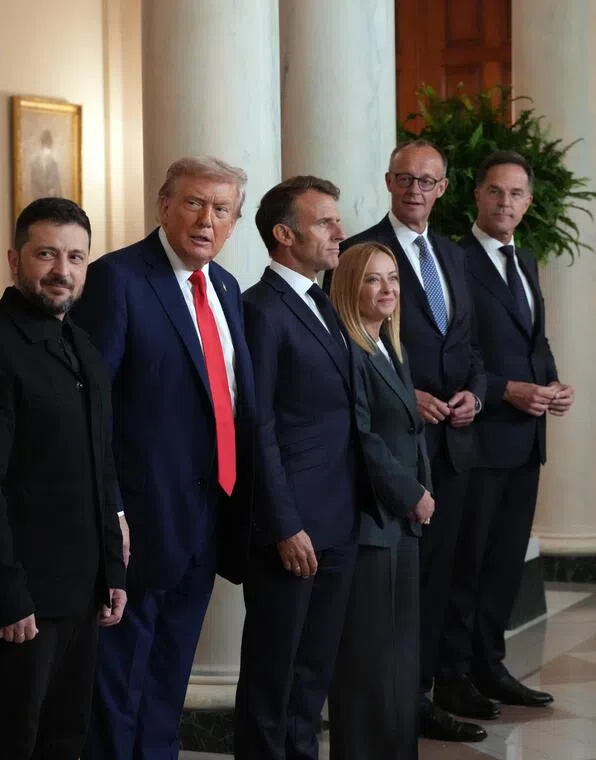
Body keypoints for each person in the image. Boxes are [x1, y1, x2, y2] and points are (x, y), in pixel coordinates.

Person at [72, 156, 257, 760]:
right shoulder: (118, 280)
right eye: (194, 204)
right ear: (164, 206)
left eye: (221, 209)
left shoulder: (225, 287)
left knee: (169, 679)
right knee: (118, 684)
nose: (207, 219)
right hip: (139, 524)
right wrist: (112, 513)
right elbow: (92, 411)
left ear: (235, 221)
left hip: (207, 515)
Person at [337, 139, 489, 742]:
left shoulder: (452, 255)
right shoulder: (358, 251)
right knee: (398, 596)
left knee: (444, 580)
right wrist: (413, 396)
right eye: (406, 179)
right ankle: (406, 704)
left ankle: (427, 691)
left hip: (451, 446)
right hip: (394, 456)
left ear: (444, 188)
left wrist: (474, 395)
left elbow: (471, 347)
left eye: (428, 182)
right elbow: (356, 348)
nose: (417, 190)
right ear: (389, 181)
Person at [0, 197, 127, 760]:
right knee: (9, 740)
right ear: (15, 259)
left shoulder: (83, 346)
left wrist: (113, 570)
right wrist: (6, 594)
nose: (62, 270)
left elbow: (101, 465)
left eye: (76, 257)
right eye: (47, 254)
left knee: (64, 739)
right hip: (26, 595)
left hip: (82, 589)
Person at [236, 176, 362, 760]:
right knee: (273, 672)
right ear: (284, 235)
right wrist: (284, 524)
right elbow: (257, 426)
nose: (339, 232)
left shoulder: (322, 299)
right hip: (292, 527)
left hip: (338, 519)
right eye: (324, 222)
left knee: (313, 673)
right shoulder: (261, 310)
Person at [441, 150, 572, 710]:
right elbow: (457, 352)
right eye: (496, 191)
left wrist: (553, 382)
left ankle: (490, 666)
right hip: (480, 437)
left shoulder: (527, 259)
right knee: (465, 564)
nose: (506, 202)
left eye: (517, 194)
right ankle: (453, 676)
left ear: (529, 202)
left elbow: (532, 341)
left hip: (526, 439)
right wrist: (504, 390)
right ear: (476, 195)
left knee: (502, 566)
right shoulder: (454, 260)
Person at [327, 241, 434, 760]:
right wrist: (411, 492)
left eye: (392, 278)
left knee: (399, 658)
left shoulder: (390, 343)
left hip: (403, 524)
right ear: (350, 286)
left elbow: (410, 432)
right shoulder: (349, 348)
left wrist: (422, 489)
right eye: (373, 279)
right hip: (372, 523)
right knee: (368, 662)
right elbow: (361, 436)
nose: (388, 288)